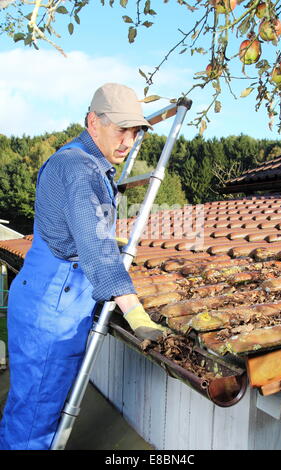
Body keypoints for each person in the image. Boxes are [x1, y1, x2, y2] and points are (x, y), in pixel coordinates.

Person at [0, 83, 167, 450]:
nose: (128, 141)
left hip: (41, 295)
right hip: (52, 310)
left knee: (27, 408)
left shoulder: (74, 158)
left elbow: (80, 226)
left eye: (135, 131)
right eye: (120, 129)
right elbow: (95, 248)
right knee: (35, 423)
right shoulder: (81, 169)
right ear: (94, 122)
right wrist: (135, 312)